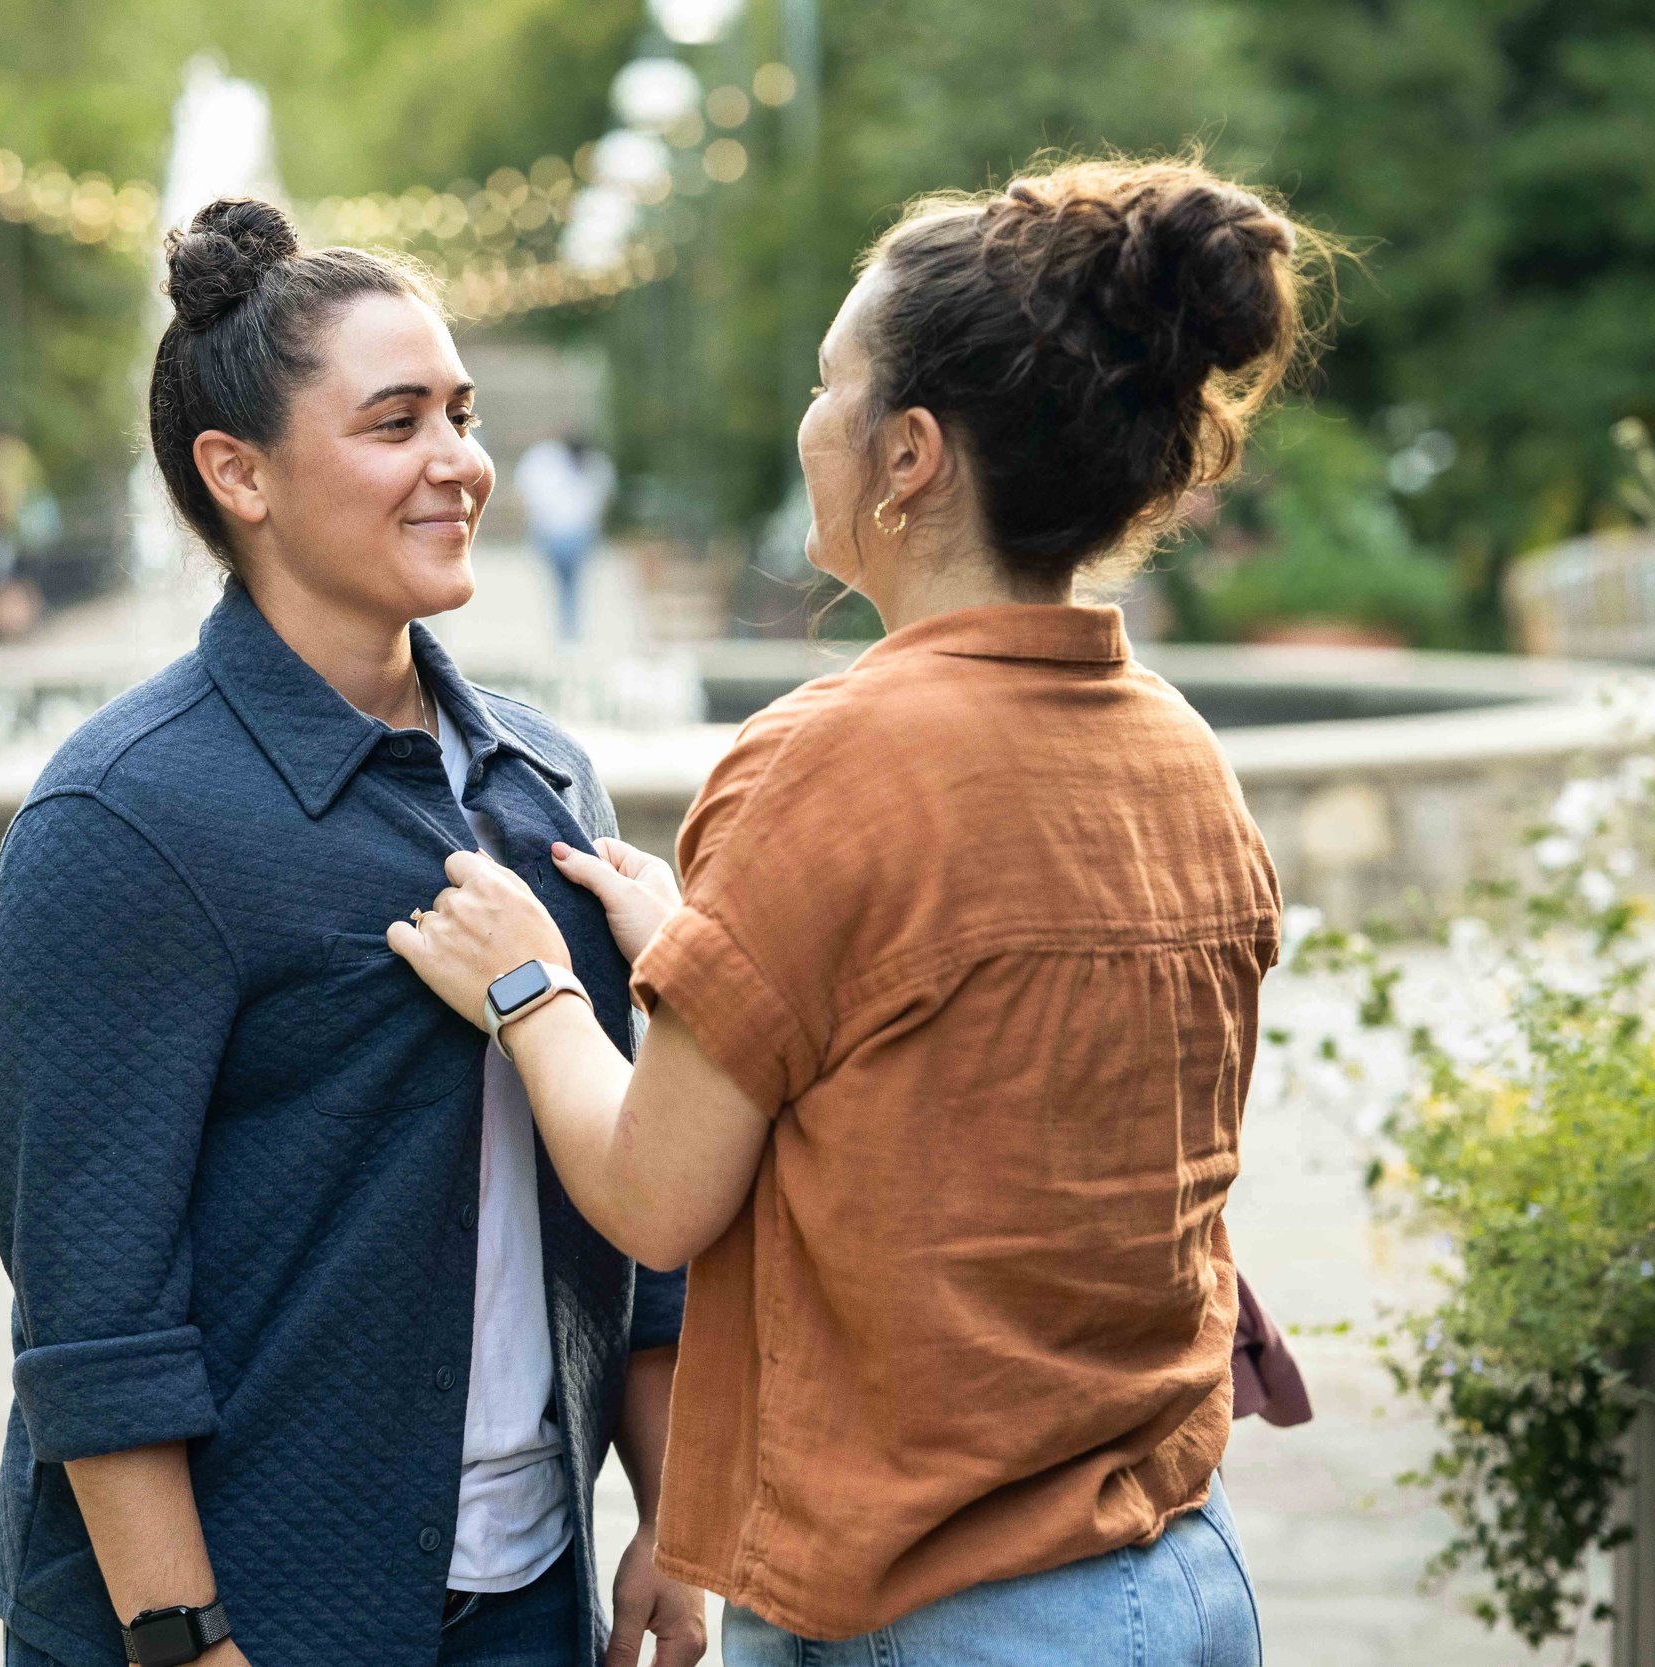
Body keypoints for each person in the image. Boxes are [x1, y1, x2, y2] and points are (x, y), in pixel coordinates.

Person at [389, 157, 1319, 1665]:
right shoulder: (1179, 750)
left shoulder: (826, 762)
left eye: (831, 386)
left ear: (909, 454)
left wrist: (533, 988)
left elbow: (652, 1193)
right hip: (1179, 1579)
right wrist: (715, 950)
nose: (806, 422)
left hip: (945, 1610)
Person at [0, 198, 704, 1667]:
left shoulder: (545, 782)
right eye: (396, 423)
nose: (462, 463)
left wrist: (671, 1527)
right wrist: (189, 1642)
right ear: (237, 472)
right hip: (238, 1613)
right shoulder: (123, 818)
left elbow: (637, 1214)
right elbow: (92, 1305)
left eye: (463, 411)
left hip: (530, 1601)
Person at [513, 433, 615, 644]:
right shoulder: (591, 465)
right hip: (571, 534)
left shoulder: (544, 461)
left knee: (565, 584)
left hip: (558, 533)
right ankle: (569, 631)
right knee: (571, 584)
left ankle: (567, 631)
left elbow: (524, 495)